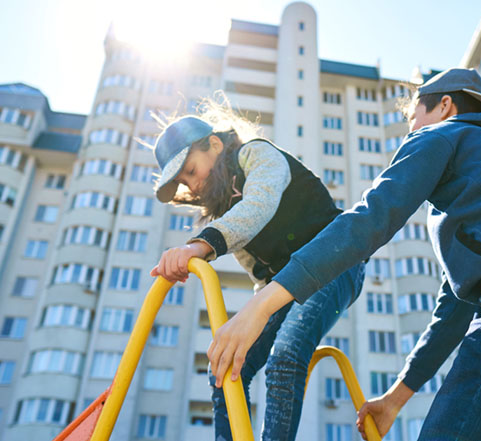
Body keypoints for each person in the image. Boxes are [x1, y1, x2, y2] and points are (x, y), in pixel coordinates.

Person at [206, 69, 481, 440]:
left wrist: (261, 305)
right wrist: (396, 399)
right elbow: (456, 307)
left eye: (413, 119)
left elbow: (370, 219)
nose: (412, 131)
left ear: (444, 105)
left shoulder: (442, 135)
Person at [149, 99, 365, 440]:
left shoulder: (255, 155)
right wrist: (251, 325)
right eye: (183, 183)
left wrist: (199, 245)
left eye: (190, 171)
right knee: (224, 364)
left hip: (334, 259)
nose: (191, 186)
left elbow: (260, 203)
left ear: (215, 144)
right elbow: (263, 278)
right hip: (286, 287)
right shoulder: (225, 211)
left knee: (286, 355)